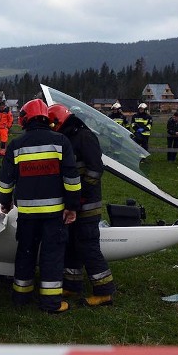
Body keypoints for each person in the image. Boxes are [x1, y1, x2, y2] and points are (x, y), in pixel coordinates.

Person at [0, 99, 80, 313]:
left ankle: (21, 297)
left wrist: (5, 203)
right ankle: (51, 303)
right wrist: (71, 207)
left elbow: (6, 181)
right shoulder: (61, 141)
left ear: (25, 119)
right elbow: (71, 179)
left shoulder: (16, 145)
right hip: (55, 214)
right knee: (52, 256)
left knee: (25, 253)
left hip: (27, 215)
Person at [47, 104, 116, 307]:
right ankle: (72, 284)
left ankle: (104, 291)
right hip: (72, 202)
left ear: (58, 121)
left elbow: (95, 170)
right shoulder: (68, 137)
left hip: (86, 203)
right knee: (71, 244)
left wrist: (79, 194)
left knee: (87, 245)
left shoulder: (84, 137)